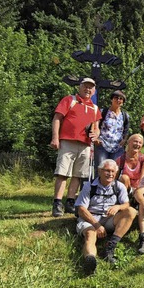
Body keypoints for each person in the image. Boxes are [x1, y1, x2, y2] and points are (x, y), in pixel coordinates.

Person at [50, 77, 101, 217]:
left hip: (85, 145)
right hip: (68, 141)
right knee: (62, 172)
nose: (88, 89)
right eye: (85, 86)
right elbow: (57, 118)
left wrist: (96, 135)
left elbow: (96, 128)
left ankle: (70, 202)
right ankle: (57, 203)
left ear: (94, 90)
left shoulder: (95, 108)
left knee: (78, 175)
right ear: (80, 87)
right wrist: (55, 138)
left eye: (91, 87)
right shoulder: (70, 100)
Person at [74, 159, 136, 274]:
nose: (110, 174)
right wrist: (96, 225)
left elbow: (126, 204)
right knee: (90, 234)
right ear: (99, 171)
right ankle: (90, 259)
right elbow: (81, 209)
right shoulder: (89, 186)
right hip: (90, 219)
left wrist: (118, 207)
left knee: (131, 211)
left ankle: (110, 246)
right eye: (107, 171)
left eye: (113, 171)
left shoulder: (119, 186)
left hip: (108, 219)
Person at [94, 90, 130, 174]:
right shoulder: (103, 112)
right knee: (101, 169)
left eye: (121, 99)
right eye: (116, 98)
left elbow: (126, 130)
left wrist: (124, 140)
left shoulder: (125, 115)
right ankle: (97, 187)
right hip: (102, 145)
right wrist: (96, 138)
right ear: (111, 99)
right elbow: (96, 125)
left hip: (117, 147)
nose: (118, 100)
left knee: (114, 170)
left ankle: (112, 187)